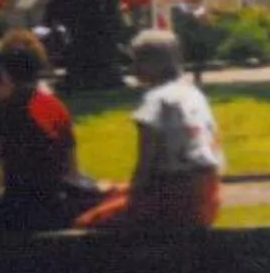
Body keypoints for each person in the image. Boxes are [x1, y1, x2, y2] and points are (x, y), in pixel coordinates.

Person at [78, 29, 223, 232]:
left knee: (89, 220)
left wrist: (132, 198)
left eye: (137, 61)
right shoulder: (194, 95)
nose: (133, 68)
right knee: (115, 193)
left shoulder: (156, 101)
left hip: (175, 199)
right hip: (208, 196)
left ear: (155, 63)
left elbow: (145, 165)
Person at [0, 31, 98, 234]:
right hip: (55, 203)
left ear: (5, 75)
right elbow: (71, 167)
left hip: (22, 206)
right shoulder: (56, 106)